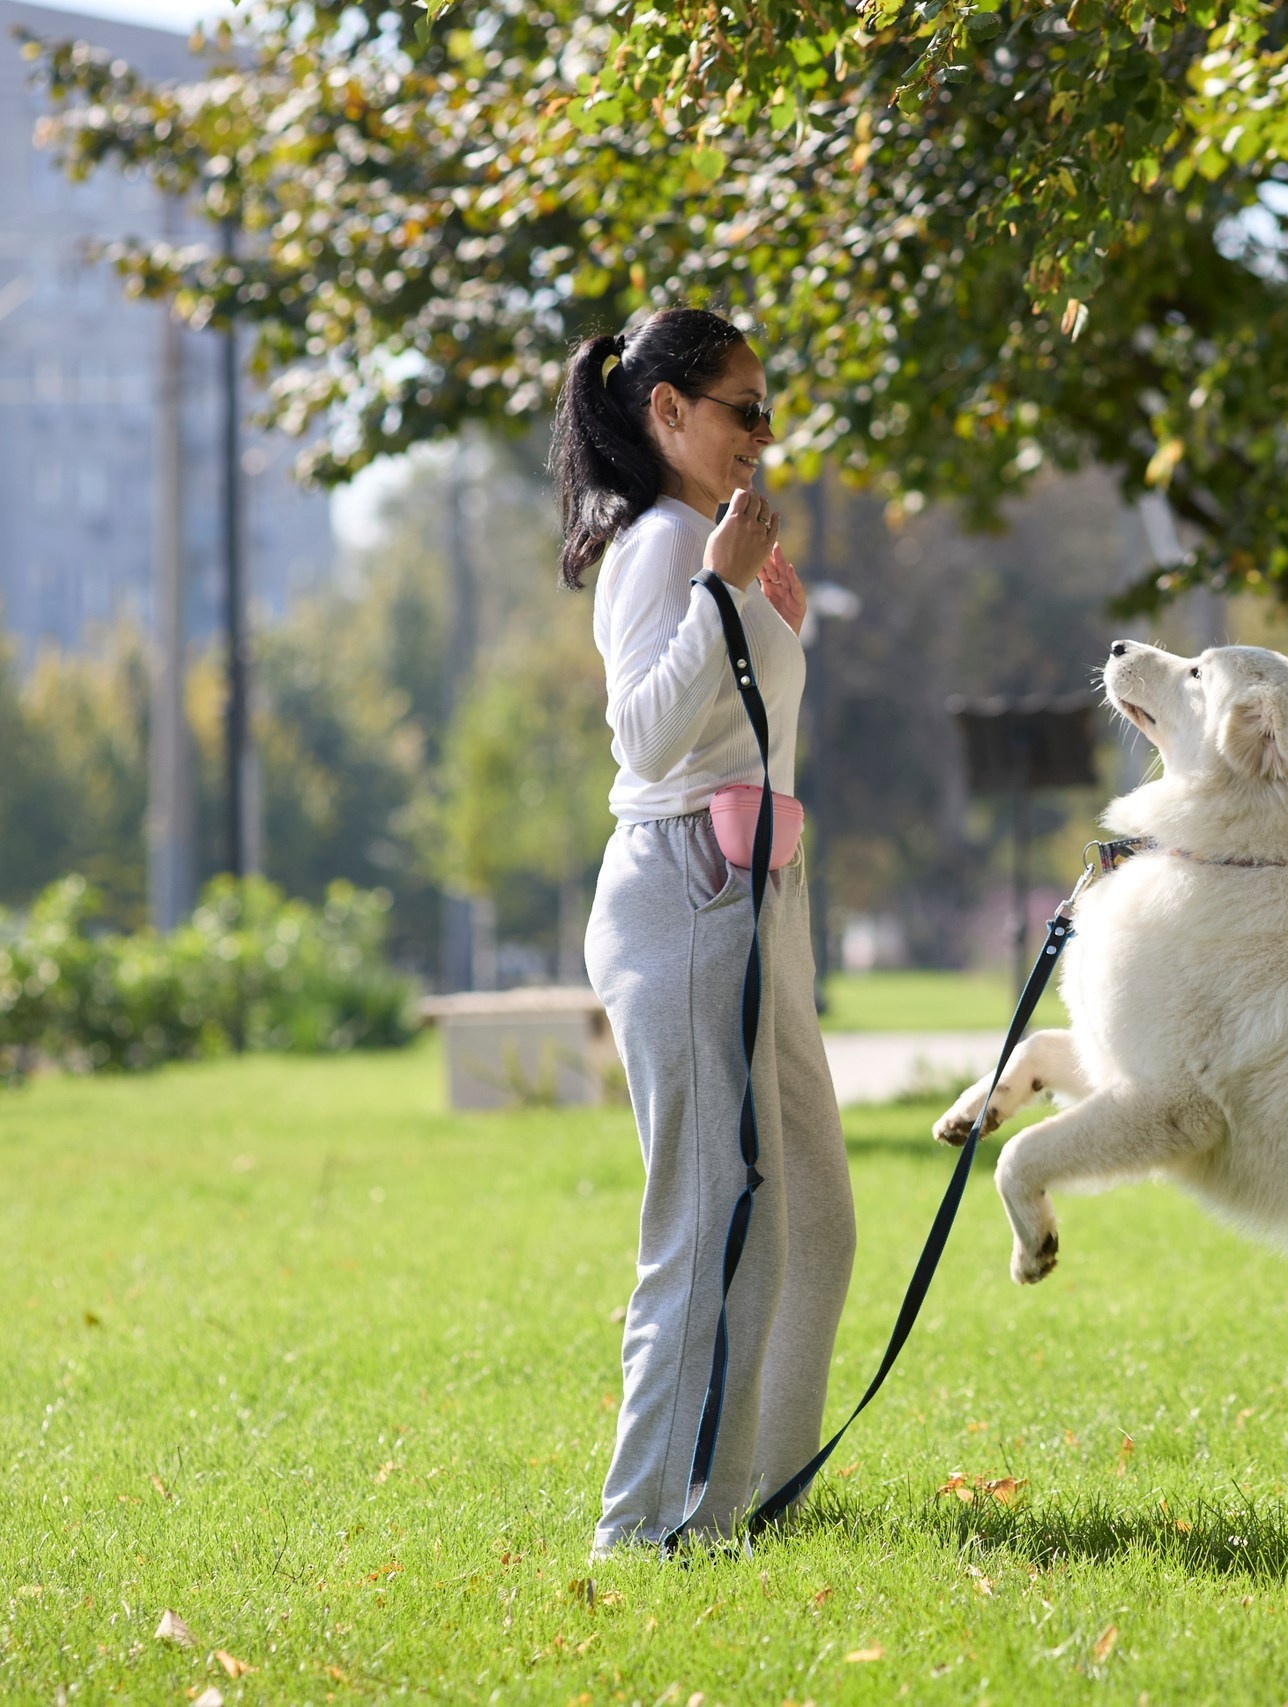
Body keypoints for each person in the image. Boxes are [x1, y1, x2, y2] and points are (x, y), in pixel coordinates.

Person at [554, 306, 854, 1554]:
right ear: (665, 412)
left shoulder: (707, 540)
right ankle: (648, 1529)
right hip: (684, 887)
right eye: (743, 408)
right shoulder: (658, 545)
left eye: (765, 410)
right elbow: (643, 736)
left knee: (808, 1216)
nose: (762, 434)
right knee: (708, 1221)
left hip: (753, 885)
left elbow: (742, 716)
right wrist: (722, 594)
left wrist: (767, 611)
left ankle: (745, 1506)